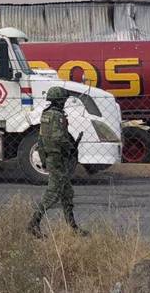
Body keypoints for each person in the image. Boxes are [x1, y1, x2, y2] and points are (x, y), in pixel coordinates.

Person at [28, 86, 86, 237]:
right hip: (58, 158)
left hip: (51, 157)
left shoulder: (46, 114)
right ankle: (33, 223)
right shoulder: (57, 116)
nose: (64, 102)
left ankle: (72, 227)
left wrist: (43, 157)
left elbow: (41, 139)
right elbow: (59, 137)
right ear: (60, 101)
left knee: (67, 193)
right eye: (64, 100)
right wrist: (70, 148)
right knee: (53, 193)